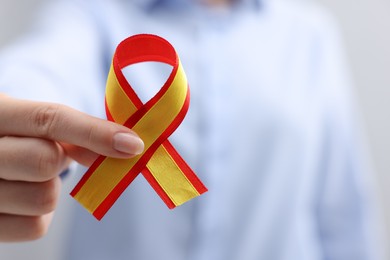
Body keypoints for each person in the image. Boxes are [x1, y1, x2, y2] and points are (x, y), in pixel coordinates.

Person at [0, 0, 385, 259]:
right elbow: (44, 66)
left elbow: (342, 215)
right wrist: (21, 119)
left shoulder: (310, 35)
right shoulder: (92, 13)